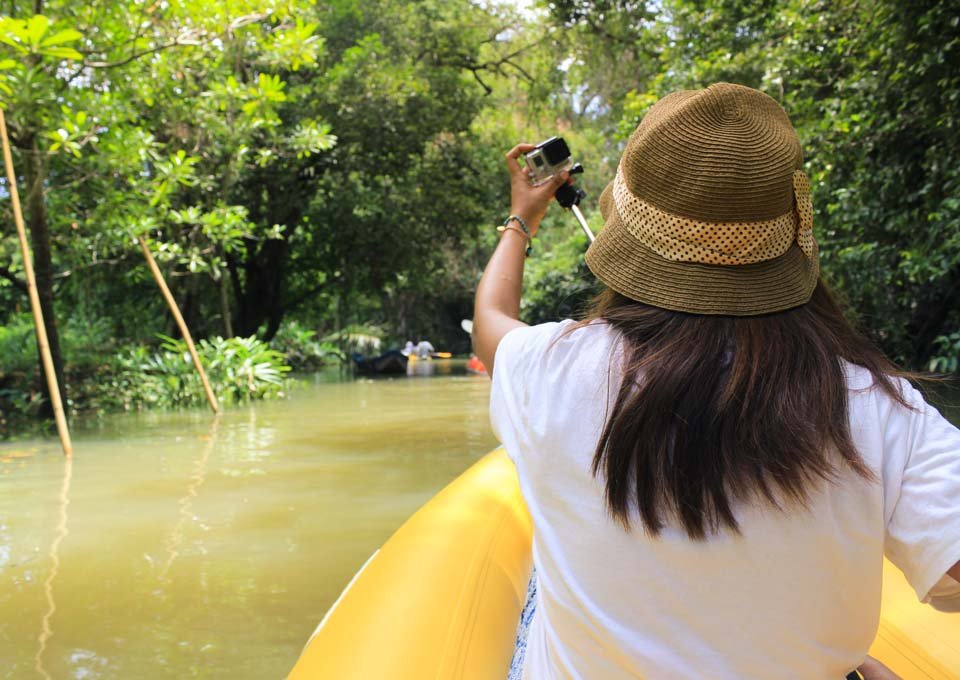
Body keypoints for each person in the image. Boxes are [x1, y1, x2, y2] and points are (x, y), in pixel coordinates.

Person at [472, 83, 960, 679]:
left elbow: (490, 323)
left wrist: (521, 217)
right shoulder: (878, 407)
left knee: (538, 581)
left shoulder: (545, 367)